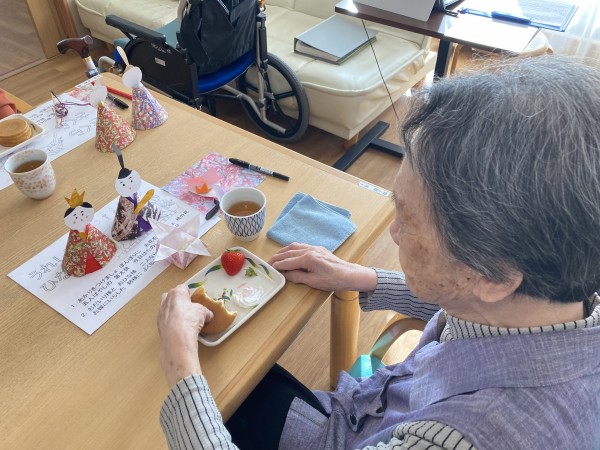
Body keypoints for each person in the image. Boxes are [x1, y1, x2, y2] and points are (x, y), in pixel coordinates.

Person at [157, 55, 600, 450]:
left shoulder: (469, 438)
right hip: (358, 415)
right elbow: (475, 306)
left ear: (492, 276)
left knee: (187, 390)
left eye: (407, 218)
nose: (393, 232)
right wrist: (364, 278)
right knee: (238, 376)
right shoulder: (555, 301)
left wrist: (181, 368)